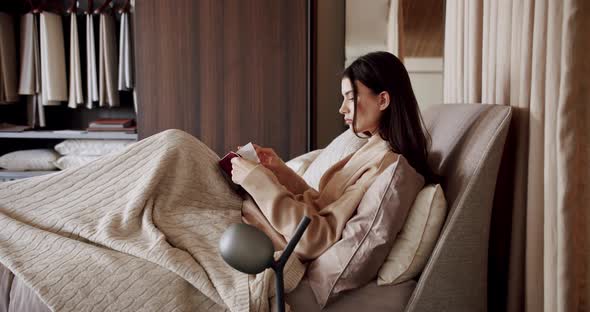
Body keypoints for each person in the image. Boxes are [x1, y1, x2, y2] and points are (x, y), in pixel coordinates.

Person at [232, 51, 436, 261]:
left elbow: (315, 237)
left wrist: (258, 182)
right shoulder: (372, 148)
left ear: (382, 100)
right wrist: (278, 170)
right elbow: (324, 204)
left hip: (263, 235)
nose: (341, 109)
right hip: (256, 221)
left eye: (350, 98)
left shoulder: (386, 164)